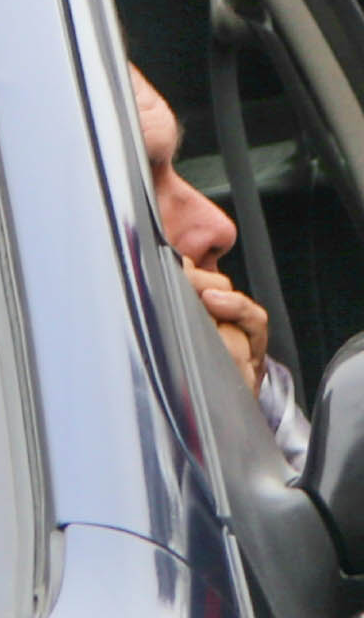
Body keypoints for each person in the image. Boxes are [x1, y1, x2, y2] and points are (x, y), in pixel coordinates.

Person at [131, 61, 307, 466]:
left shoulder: (243, 375)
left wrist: (244, 410)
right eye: (138, 185)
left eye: (178, 166)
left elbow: (320, 515)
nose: (219, 228)